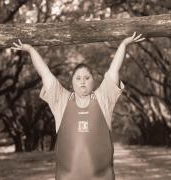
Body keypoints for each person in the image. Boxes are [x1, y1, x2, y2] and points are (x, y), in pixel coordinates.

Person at [11, 32, 145, 180]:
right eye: (78, 78)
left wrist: (123, 45)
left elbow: (114, 70)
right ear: (72, 82)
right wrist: (30, 49)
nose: (82, 82)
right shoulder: (61, 100)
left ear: (93, 81)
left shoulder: (103, 98)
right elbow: (45, 73)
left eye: (87, 78)